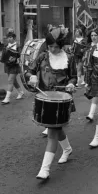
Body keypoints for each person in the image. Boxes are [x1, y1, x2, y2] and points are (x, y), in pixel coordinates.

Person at [26, 27, 77, 179]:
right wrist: (32, 77)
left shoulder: (70, 57)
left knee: (52, 132)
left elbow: (73, 77)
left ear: (61, 45)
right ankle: (67, 149)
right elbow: (30, 71)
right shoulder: (41, 56)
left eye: (56, 46)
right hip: (45, 98)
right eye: (50, 46)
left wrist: (72, 84)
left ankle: (45, 169)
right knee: (56, 128)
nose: (53, 49)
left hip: (61, 100)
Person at [0, 32, 24, 105]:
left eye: (11, 37)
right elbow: (3, 55)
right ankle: (20, 92)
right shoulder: (6, 46)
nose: (9, 39)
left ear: (14, 38)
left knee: (10, 80)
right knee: (13, 81)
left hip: (15, 65)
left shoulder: (17, 46)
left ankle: (7, 98)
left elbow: (20, 54)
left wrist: (16, 58)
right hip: (7, 65)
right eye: (8, 37)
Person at [84, 28, 98, 121]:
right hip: (89, 72)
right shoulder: (88, 46)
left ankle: (91, 114)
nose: (93, 37)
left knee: (95, 93)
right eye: (92, 35)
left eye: (95, 35)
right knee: (95, 93)